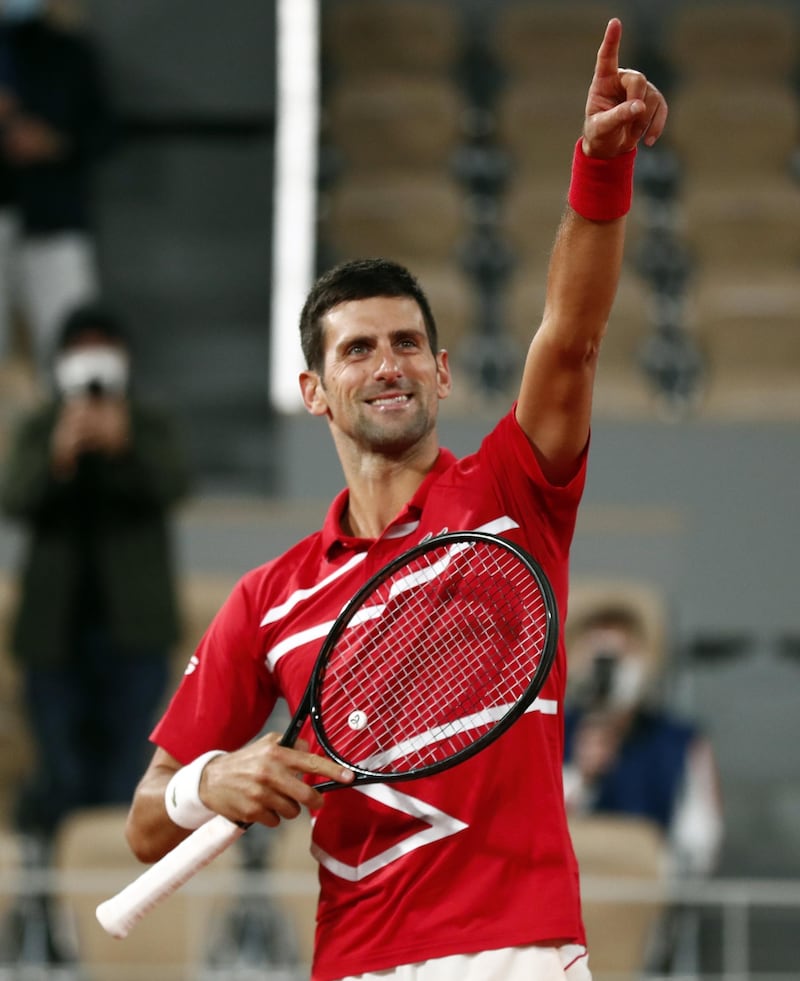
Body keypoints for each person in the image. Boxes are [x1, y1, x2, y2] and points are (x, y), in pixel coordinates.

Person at [125, 19, 667, 981]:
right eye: (357, 348)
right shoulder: (267, 599)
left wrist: (598, 169)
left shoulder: (513, 493)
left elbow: (572, 337)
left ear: (443, 370)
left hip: (521, 952)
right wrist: (215, 777)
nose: (388, 364)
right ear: (313, 389)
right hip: (357, 963)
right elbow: (144, 819)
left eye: (408, 343)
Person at [0, 301, 190, 840]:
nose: (90, 364)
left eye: (100, 350)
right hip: (52, 636)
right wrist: (58, 456)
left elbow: (174, 483)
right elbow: (13, 496)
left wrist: (123, 445)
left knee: (126, 771)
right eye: (78, 352)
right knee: (61, 772)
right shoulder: (41, 426)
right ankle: (55, 908)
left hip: (135, 635)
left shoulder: (149, 423)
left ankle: (115, 895)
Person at [563, 599, 724, 878]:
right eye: (598, 657)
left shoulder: (679, 742)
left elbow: (699, 847)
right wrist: (581, 776)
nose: (607, 672)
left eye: (621, 656)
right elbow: (523, 833)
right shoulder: (546, 733)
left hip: (644, 903)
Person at [0, 0, 116, 374]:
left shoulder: (67, 53)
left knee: (75, 351)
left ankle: (84, 431)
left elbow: (105, 132)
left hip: (54, 217)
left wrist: (54, 143)